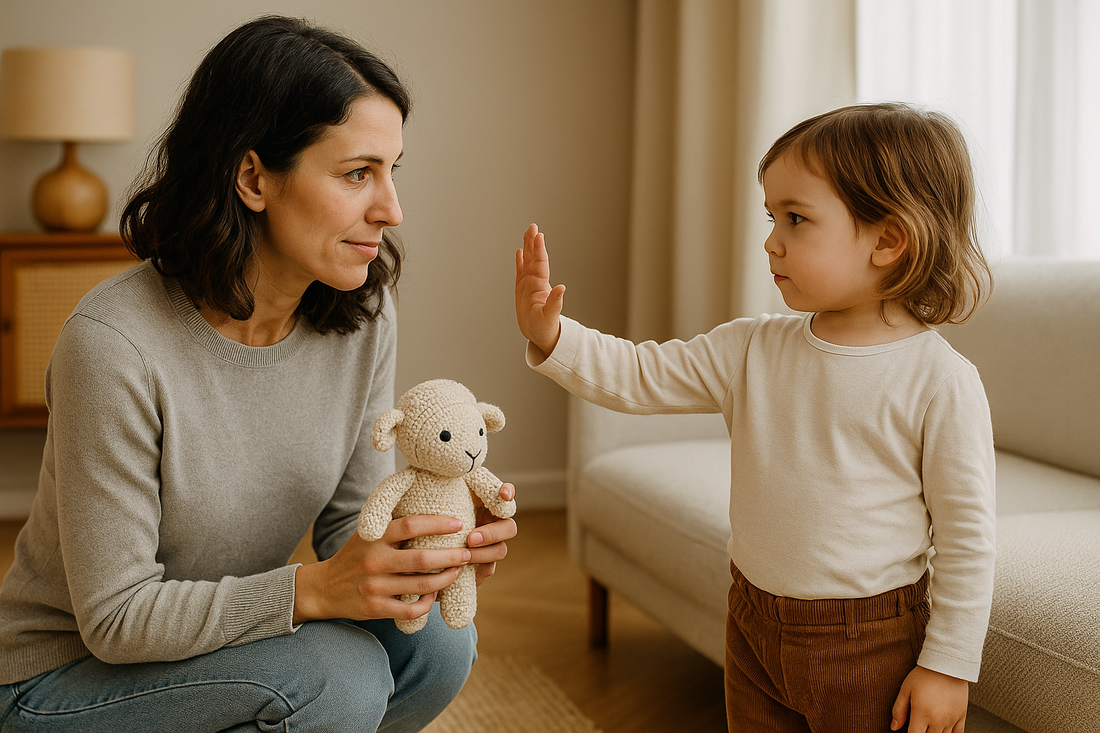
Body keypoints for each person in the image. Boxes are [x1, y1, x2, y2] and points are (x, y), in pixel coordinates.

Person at [0, 15, 516, 733]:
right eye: (357, 173)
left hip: (206, 646)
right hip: (60, 678)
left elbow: (348, 526)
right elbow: (115, 618)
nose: (391, 209)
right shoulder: (115, 342)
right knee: (337, 675)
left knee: (437, 642)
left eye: (393, 171)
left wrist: (430, 545)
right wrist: (312, 591)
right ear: (252, 177)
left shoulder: (362, 316)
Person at [515, 102, 995, 733]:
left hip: (868, 641)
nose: (771, 241)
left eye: (795, 219)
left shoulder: (939, 380)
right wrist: (552, 335)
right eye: (771, 217)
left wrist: (948, 666)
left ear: (887, 239)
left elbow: (966, 539)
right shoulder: (751, 348)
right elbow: (638, 374)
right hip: (751, 620)